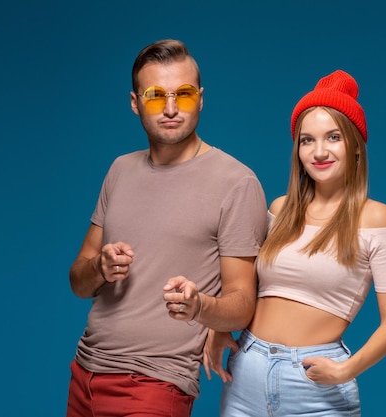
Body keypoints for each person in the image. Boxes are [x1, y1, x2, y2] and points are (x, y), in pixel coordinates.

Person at [65, 39, 268, 417]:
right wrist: (100, 268)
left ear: (201, 99)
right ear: (135, 102)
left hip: (155, 386)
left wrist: (199, 306)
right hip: (85, 375)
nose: (172, 109)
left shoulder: (236, 182)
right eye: (157, 96)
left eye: (184, 95)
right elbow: (78, 282)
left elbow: (243, 304)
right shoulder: (119, 170)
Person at [204, 70, 386, 416]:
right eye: (307, 140)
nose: (319, 151)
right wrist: (218, 326)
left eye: (333, 137)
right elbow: (246, 287)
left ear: (356, 145)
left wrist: (347, 370)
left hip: (315, 384)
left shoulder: (376, 219)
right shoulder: (280, 209)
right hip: (246, 371)